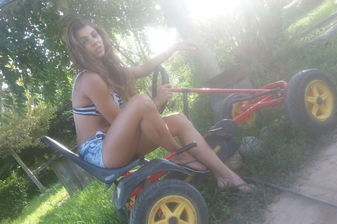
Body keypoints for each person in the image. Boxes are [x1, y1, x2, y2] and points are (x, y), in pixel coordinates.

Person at [65, 18, 253, 192]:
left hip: (114, 143)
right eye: (85, 42)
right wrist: (157, 101)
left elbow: (143, 69)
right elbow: (119, 122)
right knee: (141, 101)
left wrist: (174, 48)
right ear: (79, 51)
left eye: (94, 35)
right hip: (101, 154)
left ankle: (226, 175)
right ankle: (180, 154)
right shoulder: (90, 79)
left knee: (179, 119)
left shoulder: (109, 70)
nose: (94, 42)